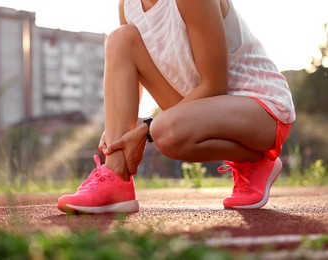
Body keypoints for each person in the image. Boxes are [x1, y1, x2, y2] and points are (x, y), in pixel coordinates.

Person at [57, 0, 296, 214]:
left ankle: (255, 160)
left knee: (164, 132)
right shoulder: (127, 5)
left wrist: (146, 130)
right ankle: (115, 177)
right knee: (121, 39)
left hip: (262, 110)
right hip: (201, 107)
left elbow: (214, 85)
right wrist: (118, 129)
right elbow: (134, 71)